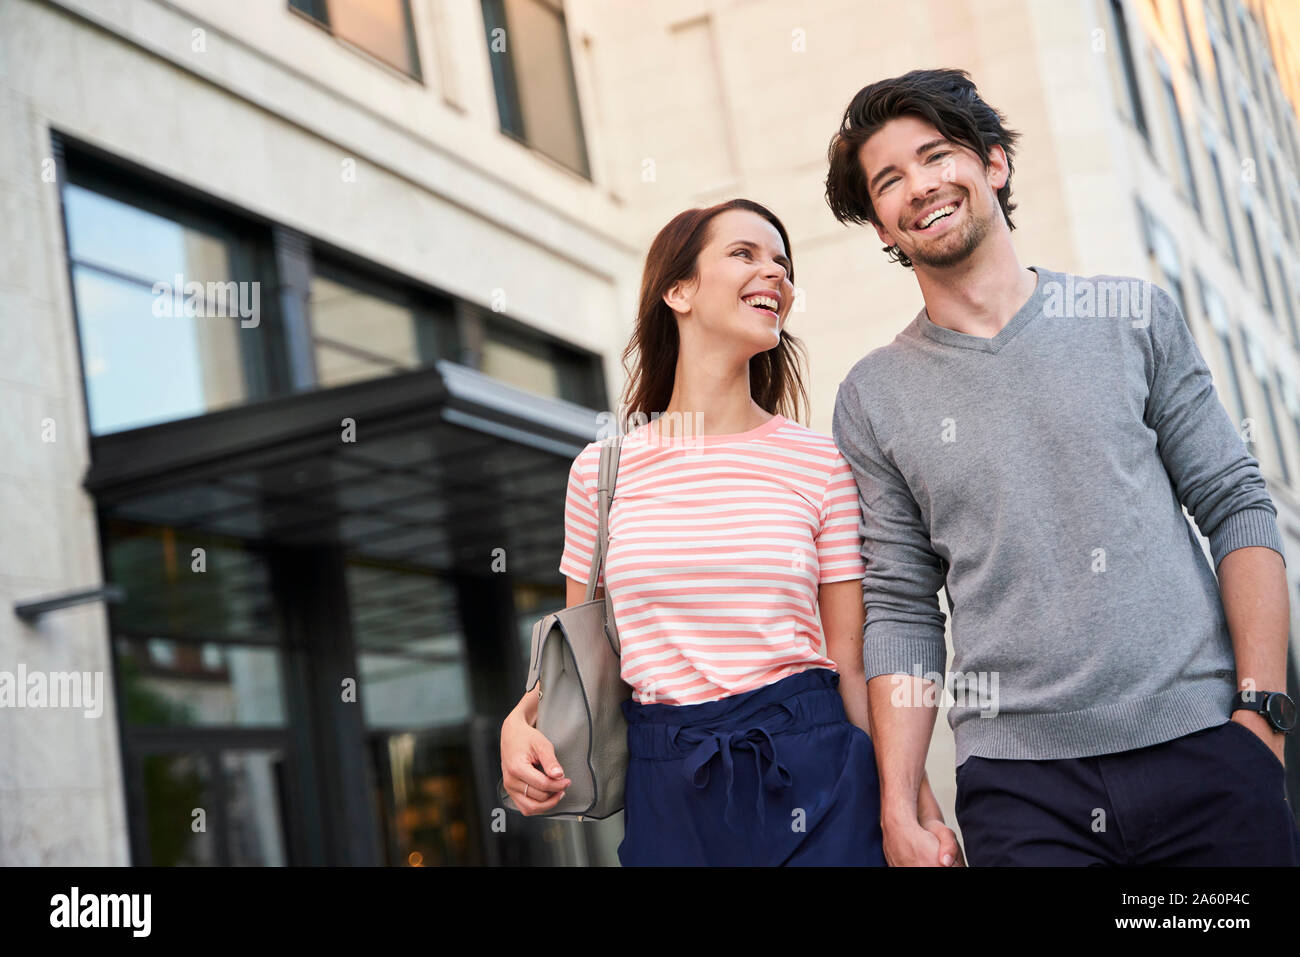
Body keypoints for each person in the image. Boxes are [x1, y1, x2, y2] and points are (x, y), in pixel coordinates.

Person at [824, 67, 1300, 866]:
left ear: (994, 163)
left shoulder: (1131, 318)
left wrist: (1262, 713)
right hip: (1021, 790)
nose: (920, 187)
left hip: (1205, 748)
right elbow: (903, 608)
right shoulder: (873, 396)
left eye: (937, 155)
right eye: (890, 180)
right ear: (881, 227)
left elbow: (1236, 504)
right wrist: (898, 804)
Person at [499, 198, 959, 866]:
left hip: (818, 768)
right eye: (745, 254)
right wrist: (520, 723)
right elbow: (584, 659)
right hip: (670, 789)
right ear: (678, 290)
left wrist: (910, 805)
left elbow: (850, 658)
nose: (774, 273)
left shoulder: (820, 462)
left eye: (783, 263)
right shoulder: (601, 471)